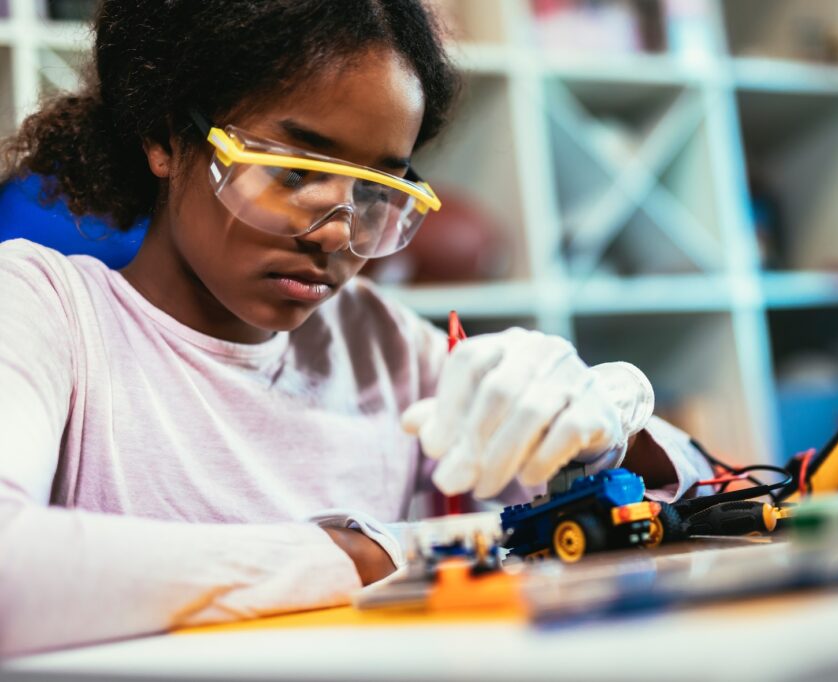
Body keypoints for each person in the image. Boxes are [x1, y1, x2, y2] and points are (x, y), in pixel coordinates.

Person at [0, 0, 712, 656]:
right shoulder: (46, 310)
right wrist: (365, 556)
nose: (338, 233)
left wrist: (607, 421)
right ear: (163, 135)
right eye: (294, 172)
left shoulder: (373, 341)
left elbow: (706, 494)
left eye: (376, 190)